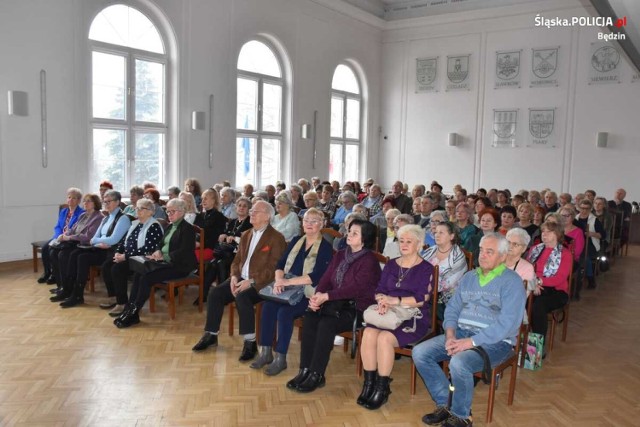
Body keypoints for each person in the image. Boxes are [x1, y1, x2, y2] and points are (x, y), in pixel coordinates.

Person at [413, 233, 525, 427]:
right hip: (462, 334)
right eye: (481, 250)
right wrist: (450, 334)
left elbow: (507, 324)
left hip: (496, 343)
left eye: (490, 251)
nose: (483, 255)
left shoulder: (512, 282)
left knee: (459, 363)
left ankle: (462, 416)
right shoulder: (469, 277)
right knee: (420, 352)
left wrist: (470, 343)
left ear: (503, 256)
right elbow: (453, 309)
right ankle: (445, 403)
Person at [285, 219, 380, 393]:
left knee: (326, 324)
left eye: (354, 233)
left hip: (356, 308)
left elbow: (355, 289)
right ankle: (304, 369)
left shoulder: (369, 261)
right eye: (349, 231)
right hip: (333, 303)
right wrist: (316, 297)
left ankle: (317, 374)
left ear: (364, 238)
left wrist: (326, 296)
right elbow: (326, 279)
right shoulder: (341, 254)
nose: (348, 235)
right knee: (310, 317)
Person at [191, 201, 287, 360]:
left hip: (263, 283)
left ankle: (250, 343)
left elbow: (275, 269)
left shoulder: (276, 238)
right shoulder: (247, 234)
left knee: (243, 297)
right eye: (252, 210)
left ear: (267, 217)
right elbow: (236, 260)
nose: (252, 213)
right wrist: (234, 276)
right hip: (242, 277)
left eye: (256, 211)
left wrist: (251, 281)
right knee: (215, 293)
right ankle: (211, 334)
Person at [358, 224, 434, 410]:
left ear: (419, 244)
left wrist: (395, 300)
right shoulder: (392, 264)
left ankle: (382, 388)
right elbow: (380, 289)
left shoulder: (426, 268)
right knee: (369, 332)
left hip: (414, 317)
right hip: (388, 312)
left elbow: (421, 299)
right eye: (401, 240)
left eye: (409, 241)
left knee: (384, 338)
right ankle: (369, 384)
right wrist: (382, 301)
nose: (404, 244)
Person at [250, 208, 333, 376]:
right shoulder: (296, 240)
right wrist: (279, 280)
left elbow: (316, 276)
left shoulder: (325, 247)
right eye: (307, 220)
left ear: (322, 224)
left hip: (308, 293)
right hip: (287, 287)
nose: (309, 224)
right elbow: (280, 264)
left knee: (284, 313)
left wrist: (287, 281)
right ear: (302, 223)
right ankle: (265, 353)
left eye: (314, 221)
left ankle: (281, 358)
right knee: (268, 307)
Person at [114, 199, 197, 328]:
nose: (169, 214)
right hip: (164, 262)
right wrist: (158, 251)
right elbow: (160, 243)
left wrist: (164, 256)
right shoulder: (170, 226)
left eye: (172, 211)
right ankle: (130, 309)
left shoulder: (188, 229)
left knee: (147, 278)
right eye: (167, 211)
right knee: (138, 274)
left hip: (179, 266)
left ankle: (134, 311)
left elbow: (184, 252)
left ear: (182, 212)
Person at [58, 190, 131, 308]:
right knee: (76, 255)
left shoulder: (123, 219)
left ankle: (77, 295)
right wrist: (100, 241)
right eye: (105, 201)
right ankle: (74, 293)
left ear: (117, 202)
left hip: (114, 252)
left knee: (83, 258)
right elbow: (93, 239)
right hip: (101, 250)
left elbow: (113, 240)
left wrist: (100, 240)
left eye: (109, 201)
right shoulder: (106, 218)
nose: (106, 204)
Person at [98, 198, 164, 316]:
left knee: (117, 269)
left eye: (141, 208)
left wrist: (125, 256)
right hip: (129, 257)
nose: (137, 211)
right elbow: (123, 241)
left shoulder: (154, 226)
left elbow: (147, 249)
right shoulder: (135, 224)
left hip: (142, 259)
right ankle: (114, 296)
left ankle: (122, 303)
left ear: (151, 212)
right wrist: (118, 253)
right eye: (136, 208)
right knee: (106, 266)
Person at [526, 221, 572, 345]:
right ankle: (519, 340)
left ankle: (536, 347)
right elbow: (527, 269)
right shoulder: (535, 249)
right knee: (519, 301)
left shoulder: (565, 253)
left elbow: (560, 278)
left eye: (549, 232)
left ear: (557, 234)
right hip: (535, 287)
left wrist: (539, 281)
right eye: (543, 232)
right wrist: (533, 283)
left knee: (538, 306)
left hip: (557, 291)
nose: (544, 234)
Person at [48, 193, 103, 294]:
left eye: (88, 201)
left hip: (85, 245)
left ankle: (69, 287)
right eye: (84, 201)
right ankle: (62, 285)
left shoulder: (98, 217)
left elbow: (88, 236)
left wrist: (69, 238)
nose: (85, 203)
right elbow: (73, 229)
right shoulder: (83, 215)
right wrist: (64, 235)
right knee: (53, 253)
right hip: (75, 242)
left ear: (95, 203)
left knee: (63, 254)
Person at [420, 222, 468, 320]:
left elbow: (446, 284)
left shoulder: (457, 257)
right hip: (426, 292)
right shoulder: (431, 251)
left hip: (446, 297)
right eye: (436, 232)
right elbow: (417, 268)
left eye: (441, 232)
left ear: (451, 236)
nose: (437, 235)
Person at [37, 188, 85, 284]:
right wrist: (58, 236)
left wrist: (65, 237)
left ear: (79, 200)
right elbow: (58, 226)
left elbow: (77, 230)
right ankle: (47, 272)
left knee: (53, 251)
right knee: (45, 248)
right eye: (69, 197)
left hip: (70, 239)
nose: (70, 200)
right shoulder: (63, 211)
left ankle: (55, 275)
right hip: (59, 237)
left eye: (74, 198)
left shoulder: (81, 213)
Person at [575, 199, 604, 295]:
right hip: (578, 243)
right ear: (579, 208)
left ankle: (591, 279)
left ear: (591, 209)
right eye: (582, 208)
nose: (584, 210)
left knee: (585, 258)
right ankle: (575, 279)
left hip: (590, 244)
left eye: (587, 209)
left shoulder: (594, 220)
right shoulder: (575, 218)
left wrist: (591, 233)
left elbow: (602, 235)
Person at [194, 188, 228, 263]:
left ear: (213, 201)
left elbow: (215, 237)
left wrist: (200, 244)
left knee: (189, 256)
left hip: (211, 248)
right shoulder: (200, 215)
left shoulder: (218, 217)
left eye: (205, 199)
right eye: (202, 199)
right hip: (197, 245)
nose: (202, 201)